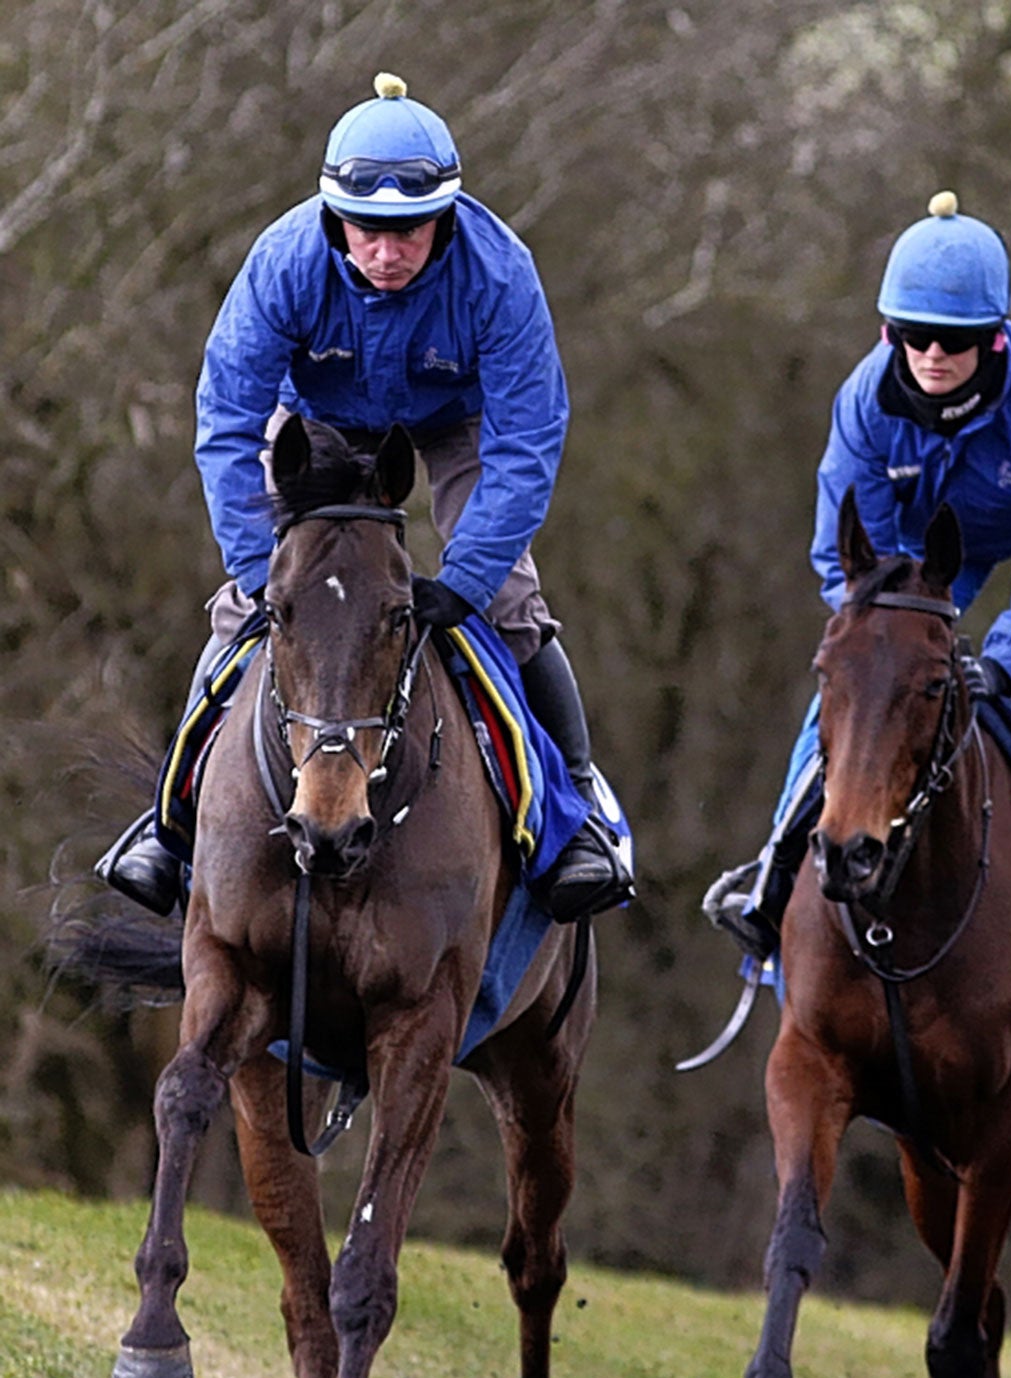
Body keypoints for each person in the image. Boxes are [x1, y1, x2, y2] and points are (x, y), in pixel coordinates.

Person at [95, 72, 630, 923]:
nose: (386, 253)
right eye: (367, 232)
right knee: (245, 608)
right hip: (320, 419)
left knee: (515, 604)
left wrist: (467, 578)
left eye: (409, 232)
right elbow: (228, 418)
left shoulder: (501, 274)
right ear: (333, 216)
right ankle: (172, 822)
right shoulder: (283, 262)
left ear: (446, 218)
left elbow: (529, 442)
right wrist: (256, 564)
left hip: (458, 425)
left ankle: (580, 818)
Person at [703, 191, 1011, 989]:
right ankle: (774, 874)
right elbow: (846, 556)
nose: (932, 356)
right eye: (912, 336)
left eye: (955, 341)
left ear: (995, 338)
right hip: (929, 547)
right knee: (860, 687)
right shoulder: (865, 403)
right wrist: (899, 639)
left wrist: (1003, 662)